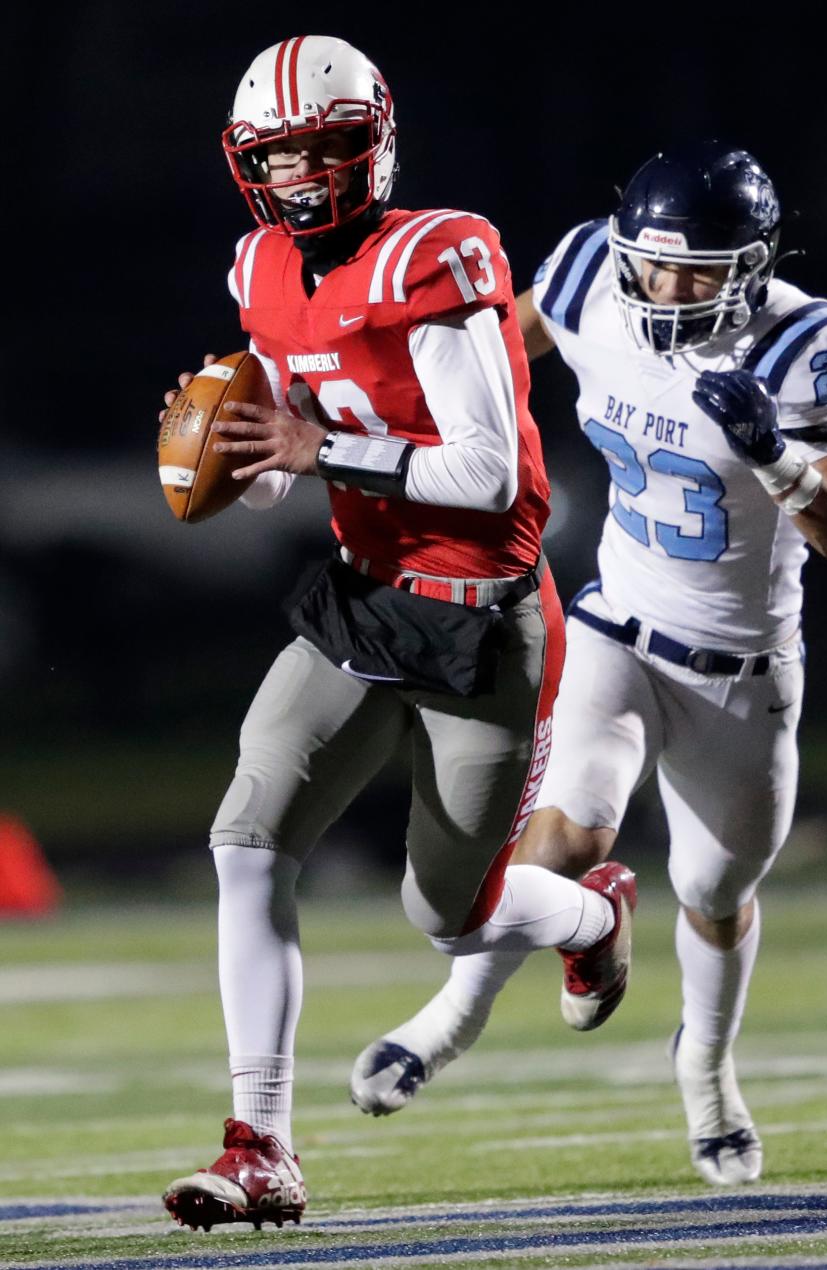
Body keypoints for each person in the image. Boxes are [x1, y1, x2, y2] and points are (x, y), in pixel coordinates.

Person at [160, 35, 639, 1231]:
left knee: (451, 913)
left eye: (326, 147)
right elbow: (288, 449)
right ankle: (259, 1142)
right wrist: (242, 457)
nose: (305, 174)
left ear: (372, 141)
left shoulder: (440, 251)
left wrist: (321, 450)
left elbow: (486, 475)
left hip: (483, 620)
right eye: (280, 154)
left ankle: (593, 913)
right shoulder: (260, 265)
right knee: (248, 834)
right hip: (366, 595)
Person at [349, 143, 827, 1185]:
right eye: (655, 264)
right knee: (562, 839)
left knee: (716, 888)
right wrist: (364, 415)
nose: (669, 287)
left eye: (701, 270)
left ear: (751, 264)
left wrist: (780, 459)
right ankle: (445, 1025)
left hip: (744, 668)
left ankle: (706, 1068)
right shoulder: (590, 275)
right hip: (614, 626)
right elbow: (487, 353)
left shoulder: (799, 344)